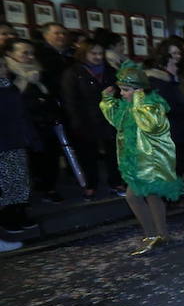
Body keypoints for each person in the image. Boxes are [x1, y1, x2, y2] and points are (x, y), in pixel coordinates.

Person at [100, 62, 184, 255]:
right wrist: (107, 100)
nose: (122, 94)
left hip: (150, 162)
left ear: (139, 91)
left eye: (126, 90)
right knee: (149, 197)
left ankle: (153, 235)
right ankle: (160, 235)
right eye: (121, 90)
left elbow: (151, 125)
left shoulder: (151, 106)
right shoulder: (128, 107)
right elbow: (115, 119)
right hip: (135, 162)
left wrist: (138, 99)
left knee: (136, 196)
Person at [61, 39, 125, 200]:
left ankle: (116, 181)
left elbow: (122, 91)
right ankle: (91, 184)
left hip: (109, 117)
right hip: (86, 119)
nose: (97, 57)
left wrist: (115, 91)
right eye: (93, 53)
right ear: (84, 53)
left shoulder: (110, 71)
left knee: (114, 152)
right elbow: (70, 100)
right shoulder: (73, 72)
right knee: (88, 155)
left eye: (100, 53)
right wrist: (75, 122)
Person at [3, 38, 65, 203]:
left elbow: (51, 95)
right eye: (24, 53)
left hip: (45, 124)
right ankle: (21, 200)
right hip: (20, 128)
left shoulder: (40, 73)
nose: (30, 57)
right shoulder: (8, 74)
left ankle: (48, 189)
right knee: (24, 165)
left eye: (32, 53)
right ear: (10, 53)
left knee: (49, 160)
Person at [0, 55, 38, 243]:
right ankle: (8, 217)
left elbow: (21, 111)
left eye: (3, 65)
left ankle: (20, 212)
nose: (4, 69)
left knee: (20, 178)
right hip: (3, 141)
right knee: (6, 180)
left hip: (16, 139)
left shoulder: (8, 85)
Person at [146, 39, 184, 179]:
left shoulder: (181, 73)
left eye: (179, 53)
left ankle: (177, 191)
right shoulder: (156, 76)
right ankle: (173, 197)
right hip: (169, 124)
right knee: (171, 161)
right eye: (173, 53)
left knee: (182, 156)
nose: (177, 56)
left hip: (183, 121)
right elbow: (163, 102)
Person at [33, 22, 71, 100]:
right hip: (51, 96)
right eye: (57, 33)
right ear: (45, 35)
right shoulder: (38, 53)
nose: (62, 36)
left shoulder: (72, 52)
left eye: (64, 33)